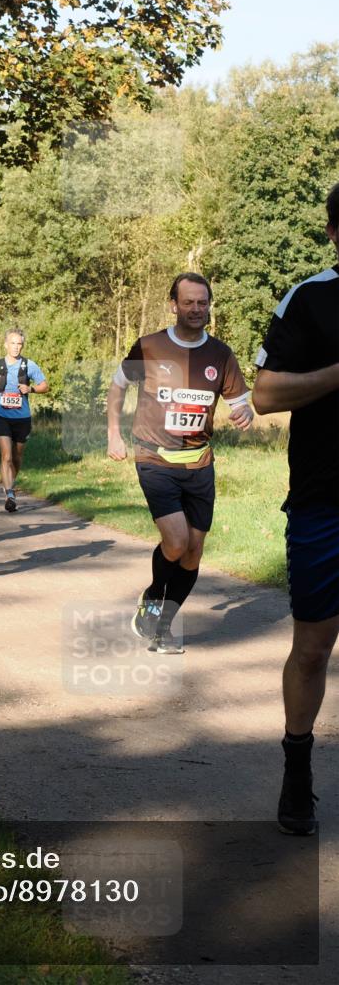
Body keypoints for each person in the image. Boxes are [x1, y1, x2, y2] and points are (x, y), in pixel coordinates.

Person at [252, 184, 339, 836]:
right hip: (323, 501)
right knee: (312, 648)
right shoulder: (310, 297)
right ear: (335, 234)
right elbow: (264, 394)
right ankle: (297, 765)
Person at [106, 272, 253, 653]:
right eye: (188, 302)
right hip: (154, 457)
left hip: (200, 463)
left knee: (194, 551)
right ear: (173, 304)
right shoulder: (150, 346)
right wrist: (113, 433)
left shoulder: (220, 354)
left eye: (202, 303)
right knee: (176, 541)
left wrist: (245, 414)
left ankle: (160, 626)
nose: (195, 309)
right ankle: (153, 599)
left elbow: (241, 402)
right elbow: (118, 384)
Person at [0, 328, 49, 512]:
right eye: (13, 343)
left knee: (17, 457)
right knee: (6, 456)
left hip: (23, 418)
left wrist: (31, 389)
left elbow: (45, 385)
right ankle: (10, 493)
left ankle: (9, 481)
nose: (16, 347)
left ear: (22, 345)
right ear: (6, 344)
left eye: (19, 343)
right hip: (1, 416)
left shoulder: (30, 365)